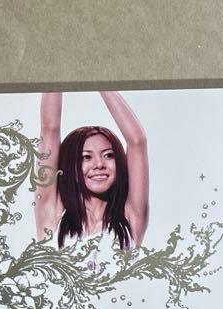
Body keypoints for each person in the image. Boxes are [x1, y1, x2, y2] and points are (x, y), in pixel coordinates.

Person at [34, 91, 149, 249]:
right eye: (86, 157)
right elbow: (49, 128)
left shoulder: (129, 218)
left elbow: (137, 140)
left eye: (108, 155)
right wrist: (56, 76)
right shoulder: (53, 215)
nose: (99, 164)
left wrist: (101, 81)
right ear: (71, 166)